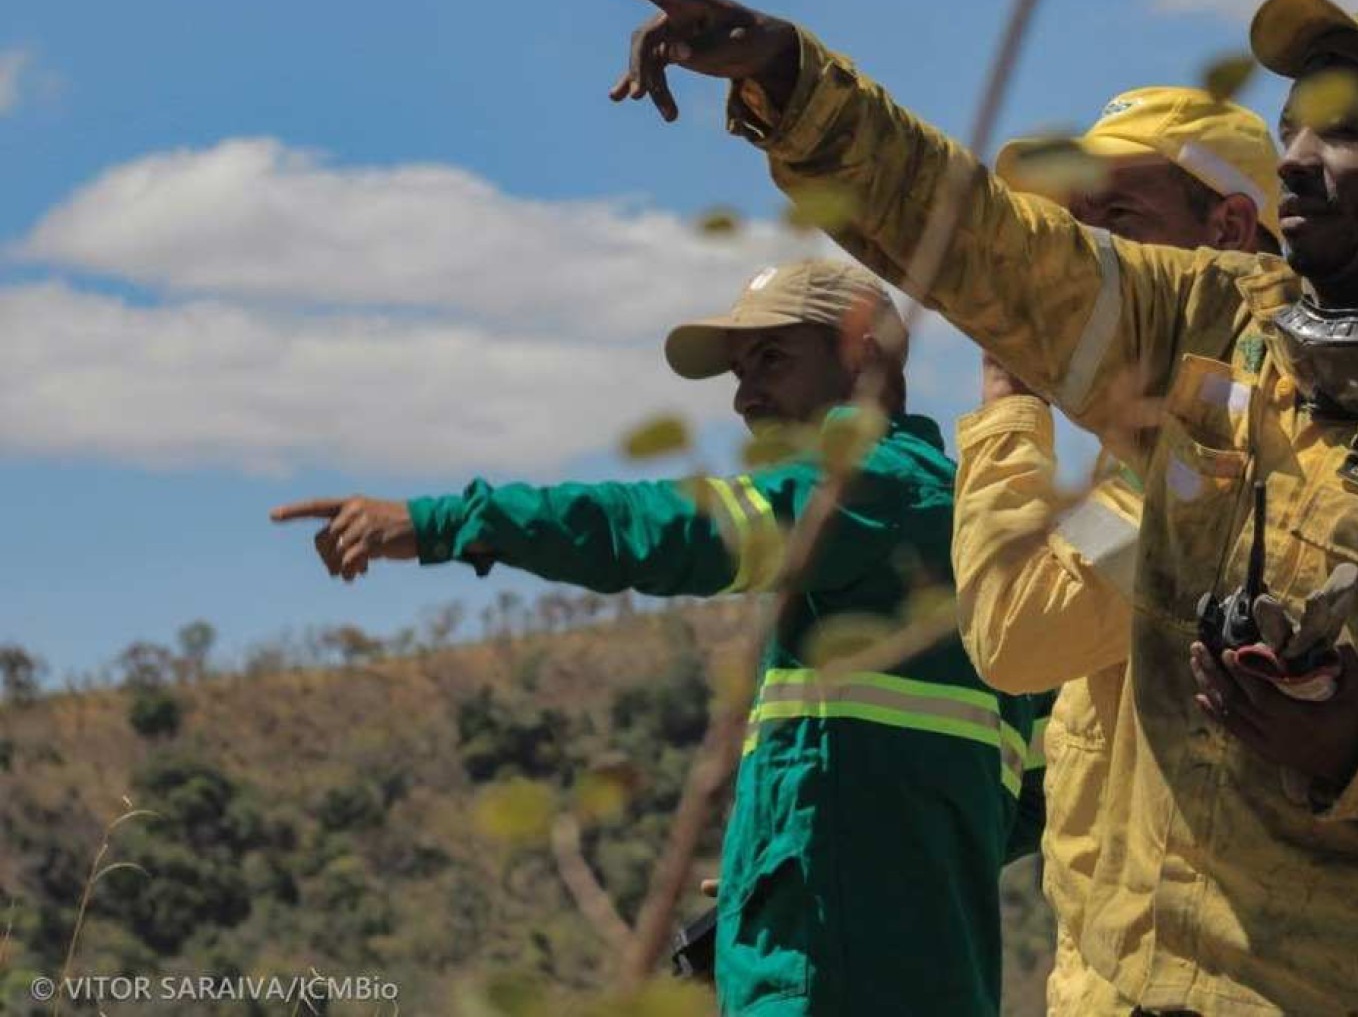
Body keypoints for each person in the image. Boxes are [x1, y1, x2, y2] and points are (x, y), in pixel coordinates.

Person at [607, 0, 1358, 1015]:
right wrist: (792, 79)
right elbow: (988, 246)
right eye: (1291, 128)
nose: (1297, 158)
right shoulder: (1203, 327)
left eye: (1344, 134)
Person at [271, 259, 1039, 1017]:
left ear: (862, 351)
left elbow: (676, 531)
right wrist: (801, 855)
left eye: (771, 358)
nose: (745, 396)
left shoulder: (867, 488)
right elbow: (1031, 791)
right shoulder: (974, 534)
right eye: (740, 371)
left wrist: (448, 523)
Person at [951, 87, 1279, 1014]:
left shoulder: (1222, 453)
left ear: (1229, 228)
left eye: (1118, 219)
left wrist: (1010, 391)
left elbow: (1017, 635)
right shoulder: (1167, 450)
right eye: (1072, 224)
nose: (1078, 255)